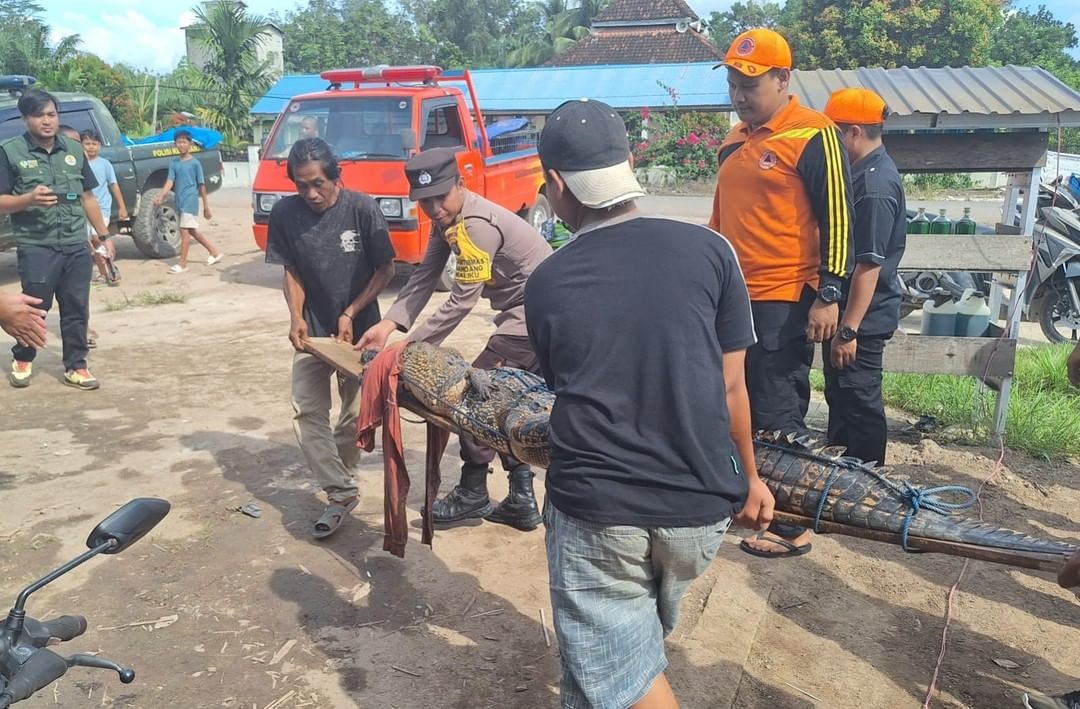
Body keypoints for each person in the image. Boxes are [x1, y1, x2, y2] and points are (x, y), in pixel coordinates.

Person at [526, 98, 775, 709]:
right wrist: (750, 478)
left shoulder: (548, 281)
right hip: (699, 508)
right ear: (629, 163)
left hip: (598, 510)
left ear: (556, 184)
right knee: (615, 660)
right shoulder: (711, 252)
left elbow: (567, 385)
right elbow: (732, 387)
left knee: (624, 680)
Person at [707, 28, 854, 559]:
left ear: (782, 79)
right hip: (733, 295)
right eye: (732, 83)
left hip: (785, 296)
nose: (740, 94)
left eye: (751, 82)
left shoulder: (813, 134)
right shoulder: (732, 141)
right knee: (728, 399)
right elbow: (719, 221)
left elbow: (839, 217)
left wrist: (829, 292)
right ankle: (746, 497)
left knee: (776, 406)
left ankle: (790, 522)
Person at [355, 147, 552, 531]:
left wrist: (407, 348)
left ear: (460, 185)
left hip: (534, 317)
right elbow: (425, 275)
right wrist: (390, 325)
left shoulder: (476, 223)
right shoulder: (448, 220)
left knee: (472, 399)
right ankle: (522, 496)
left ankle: (473, 491)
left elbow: (462, 300)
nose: (433, 207)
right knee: (509, 402)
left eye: (440, 196)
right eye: (424, 201)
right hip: (530, 315)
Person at [265, 138, 396, 539]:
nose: (311, 193)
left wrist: (350, 313)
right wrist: (295, 317)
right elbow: (292, 270)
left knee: (355, 418)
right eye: (302, 185)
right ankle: (341, 492)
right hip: (312, 335)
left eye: (318, 183)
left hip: (360, 335)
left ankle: (341, 478)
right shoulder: (286, 213)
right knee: (307, 413)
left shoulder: (362, 209)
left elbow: (385, 270)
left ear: (337, 175)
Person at [0, 90, 111, 390]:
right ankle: (23, 356)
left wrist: (103, 236)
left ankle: (76, 365)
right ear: (25, 119)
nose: (46, 121)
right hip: (37, 244)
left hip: (75, 242)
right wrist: (28, 199)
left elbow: (88, 197)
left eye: (51, 114)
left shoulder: (74, 150)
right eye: (39, 115)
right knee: (35, 306)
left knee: (76, 306)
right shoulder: (10, 152)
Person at [819, 87, 906, 466]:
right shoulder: (859, 173)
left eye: (834, 133)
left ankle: (869, 483)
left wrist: (849, 329)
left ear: (853, 132)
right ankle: (841, 477)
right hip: (850, 315)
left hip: (861, 320)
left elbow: (869, 265)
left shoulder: (873, 187)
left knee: (860, 402)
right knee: (841, 398)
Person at [154, 129, 223, 274]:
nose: (181, 145)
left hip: (190, 200)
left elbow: (201, 185)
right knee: (191, 230)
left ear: (190, 144)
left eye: (184, 142)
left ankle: (182, 263)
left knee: (184, 231)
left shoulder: (195, 163)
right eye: (179, 142)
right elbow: (170, 181)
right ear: (175, 144)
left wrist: (206, 206)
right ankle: (214, 252)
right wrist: (161, 195)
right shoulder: (174, 163)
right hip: (179, 200)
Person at [81, 129, 128, 284]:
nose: (91, 147)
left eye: (94, 144)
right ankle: (103, 273)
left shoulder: (105, 164)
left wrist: (122, 207)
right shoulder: (79, 164)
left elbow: (114, 185)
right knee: (93, 245)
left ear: (100, 145)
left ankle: (112, 268)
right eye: (87, 143)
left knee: (98, 238)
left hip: (102, 210)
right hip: (83, 211)